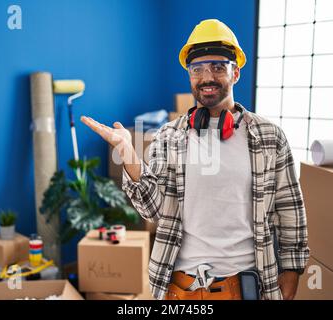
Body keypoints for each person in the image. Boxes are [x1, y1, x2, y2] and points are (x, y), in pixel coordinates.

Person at [81, 19, 310, 300]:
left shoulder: (269, 136)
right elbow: (154, 211)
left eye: (217, 67)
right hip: (178, 290)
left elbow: (290, 210)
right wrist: (128, 152)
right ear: (189, 76)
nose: (206, 77)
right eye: (197, 69)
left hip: (245, 288)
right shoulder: (168, 136)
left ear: (235, 72)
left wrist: (291, 274)